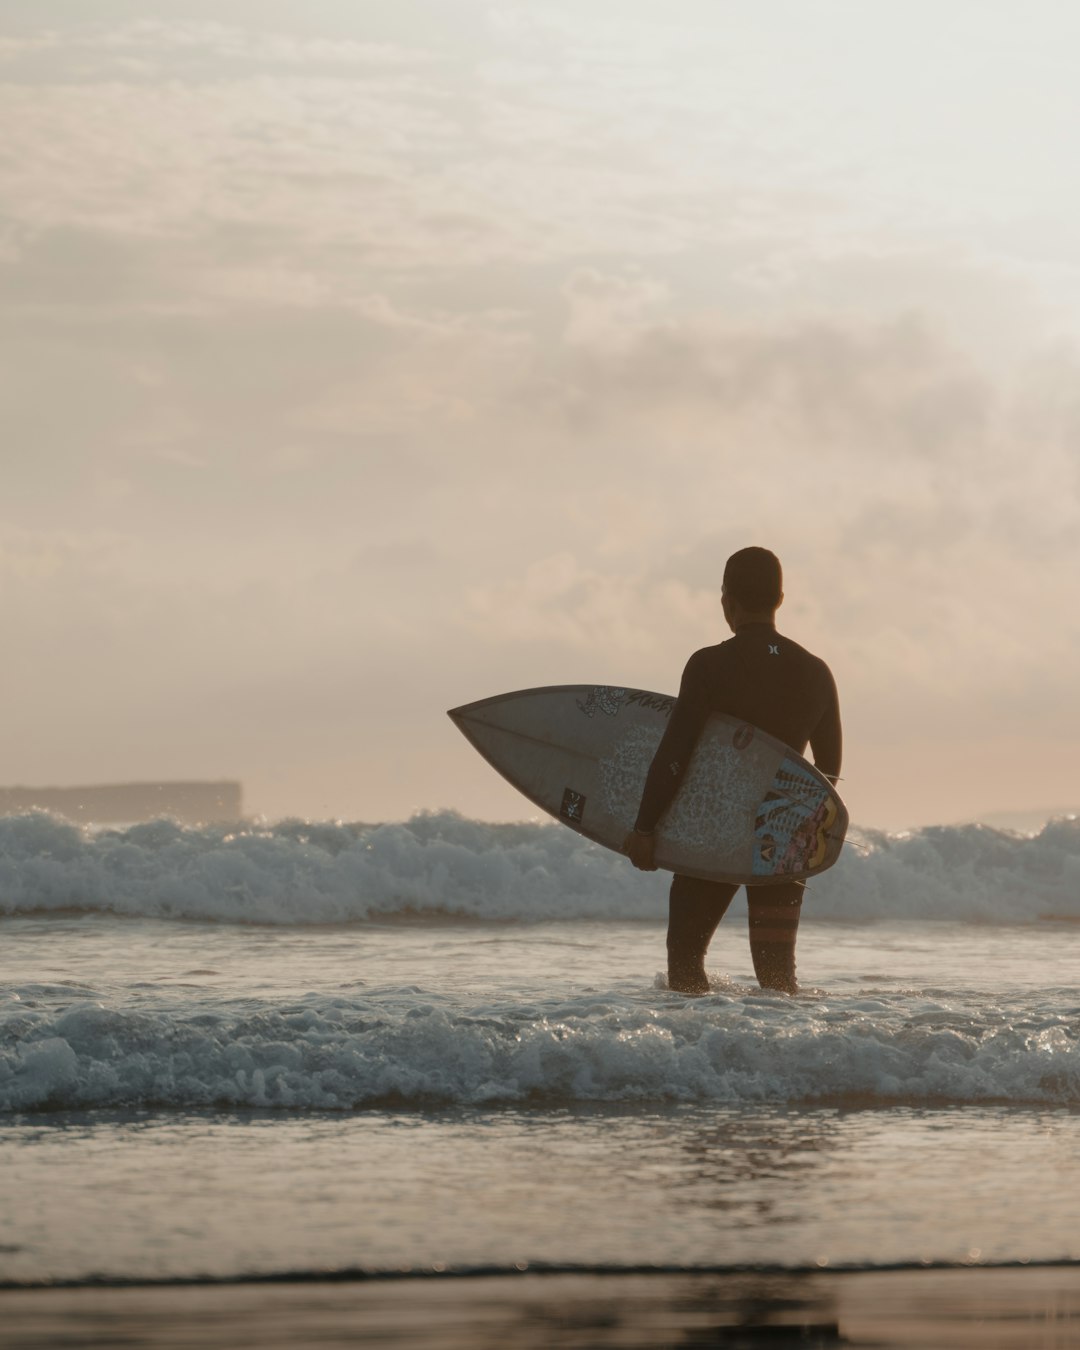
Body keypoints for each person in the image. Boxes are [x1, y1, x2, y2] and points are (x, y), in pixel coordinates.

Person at [623, 547, 841, 996]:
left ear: (726, 600)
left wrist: (645, 828)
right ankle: (782, 1061)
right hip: (780, 835)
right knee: (778, 981)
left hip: (713, 831)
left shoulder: (709, 665)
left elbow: (675, 753)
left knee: (685, 968)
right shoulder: (817, 673)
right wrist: (795, 837)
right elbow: (829, 771)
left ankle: (703, 1061)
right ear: (780, 598)